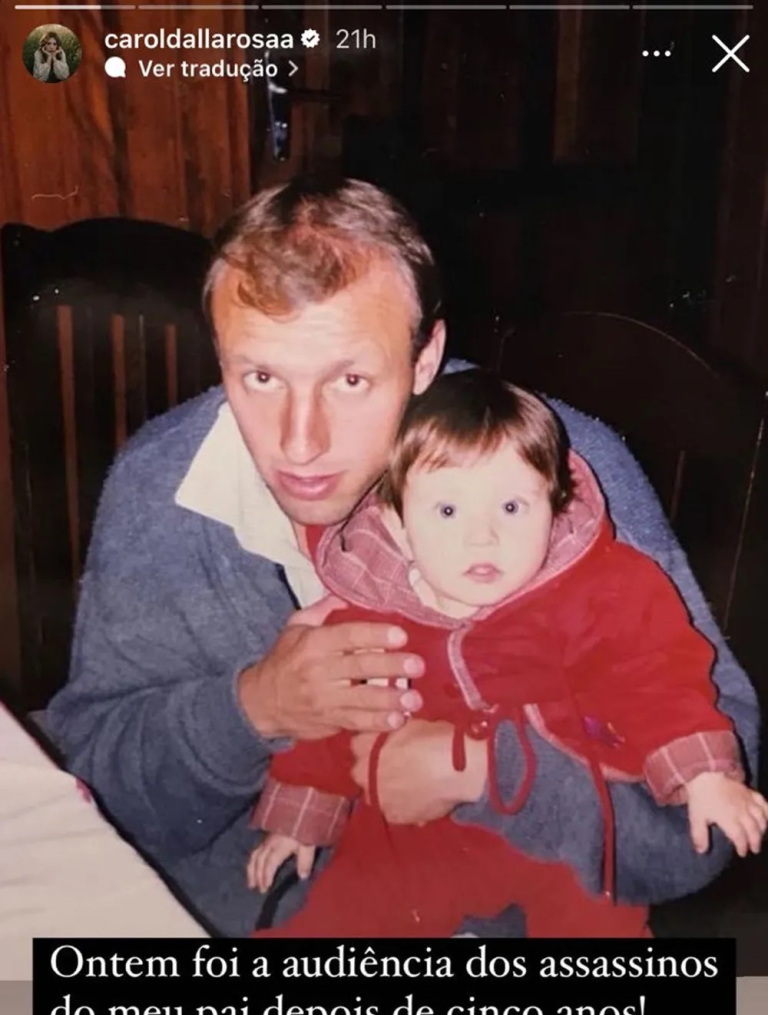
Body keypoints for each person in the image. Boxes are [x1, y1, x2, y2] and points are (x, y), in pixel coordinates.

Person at [44, 175, 760, 938]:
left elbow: (698, 836)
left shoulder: (561, 485)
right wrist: (254, 708)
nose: (300, 442)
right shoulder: (163, 484)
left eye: (351, 379)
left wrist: (480, 772)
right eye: (260, 377)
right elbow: (89, 794)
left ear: (425, 360)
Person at [246, 371, 767, 938]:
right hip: (413, 842)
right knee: (340, 917)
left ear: (556, 504)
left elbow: (660, 679)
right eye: (448, 511)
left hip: (558, 838)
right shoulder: (368, 613)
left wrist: (703, 776)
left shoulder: (606, 590)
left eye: (513, 507)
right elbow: (331, 718)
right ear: (396, 522)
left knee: (596, 917)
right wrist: (301, 816)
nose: (483, 537)